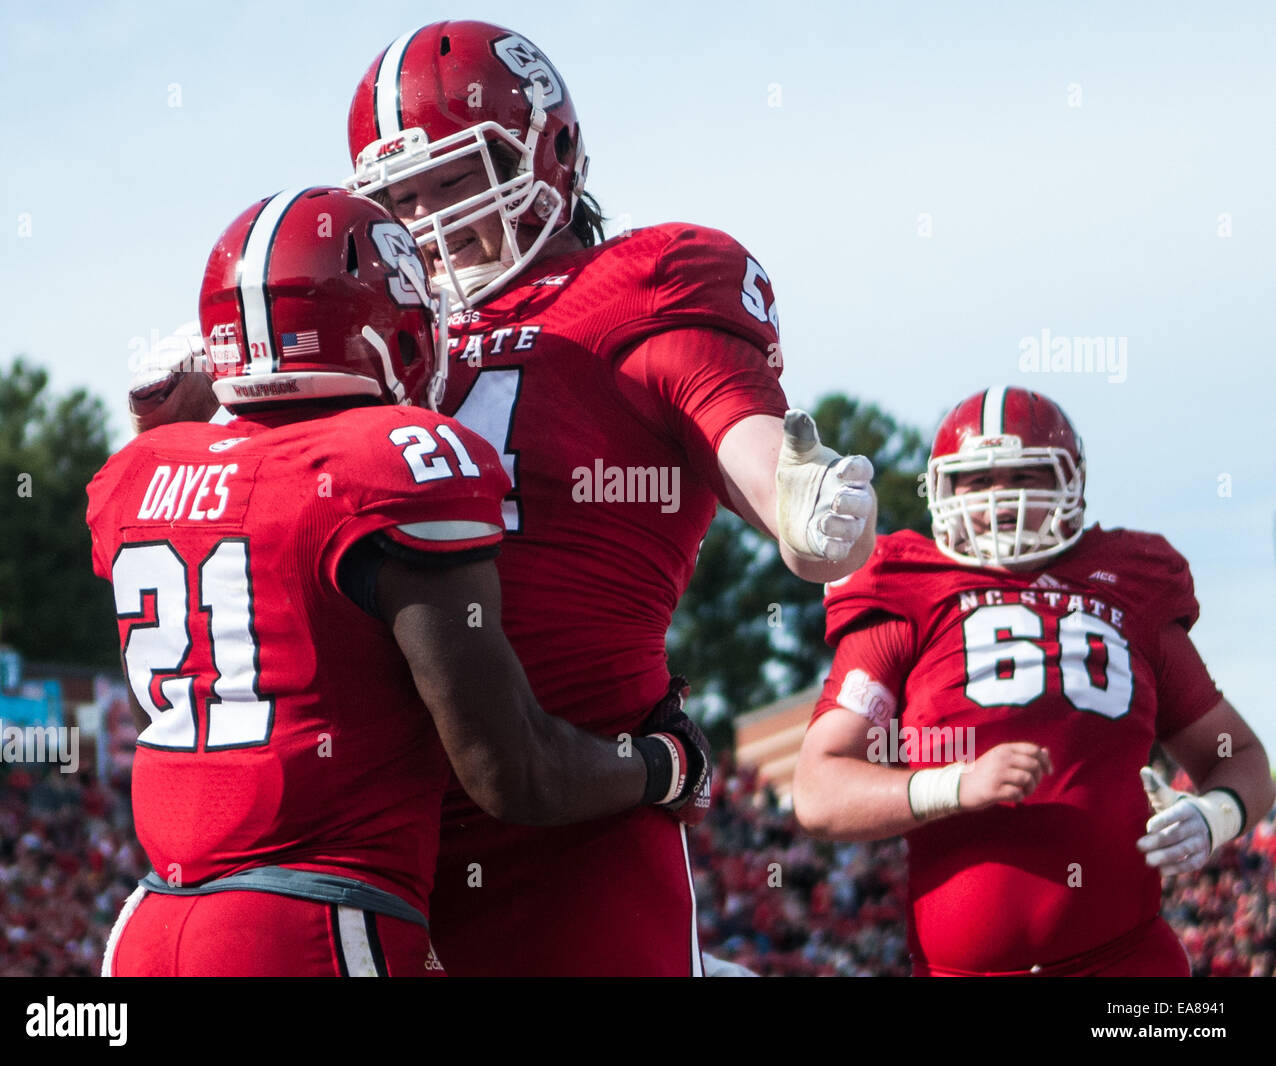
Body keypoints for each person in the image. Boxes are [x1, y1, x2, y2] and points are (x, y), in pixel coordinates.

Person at [335, 20, 879, 975]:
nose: (429, 223)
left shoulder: (633, 289)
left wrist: (803, 501)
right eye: (399, 199)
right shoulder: (369, 344)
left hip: (574, 821)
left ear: (556, 153)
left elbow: (753, 452)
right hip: (378, 831)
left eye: (457, 180)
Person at [88, 187, 711, 977]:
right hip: (307, 923)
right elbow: (510, 771)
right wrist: (664, 765)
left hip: (150, 923)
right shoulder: (398, 463)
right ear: (395, 333)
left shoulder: (138, 471)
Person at [794, 385, 1275, 977]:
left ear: (1070, 484)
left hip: (1129, 966)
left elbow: (1241, 755)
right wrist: (953, 786)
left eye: (1026, 475)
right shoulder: (905, 586)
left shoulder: (1130, 584)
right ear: (942, 490)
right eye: (978, 481)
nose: (1001, 499)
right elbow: (818, 790)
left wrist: (1214, 817)